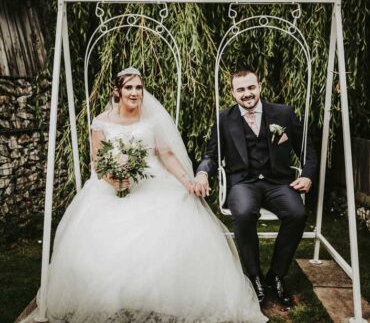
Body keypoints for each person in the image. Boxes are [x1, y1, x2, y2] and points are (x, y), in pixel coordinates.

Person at [44, 67, 268, 323]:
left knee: (175, 221)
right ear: (116, 91)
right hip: (110, 186)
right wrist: (114, 179)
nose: (135, 92)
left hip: (153, 182)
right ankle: (118, 296)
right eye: (128, 87)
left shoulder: (151, 120)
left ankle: (160, 297)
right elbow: (97, 161)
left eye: (138, 87)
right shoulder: (101, 121)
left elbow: (167, 155)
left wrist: (188, 182)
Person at [194, 68, 317, 307]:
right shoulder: (224, 118)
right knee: (244, 213)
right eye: (241, 89)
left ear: (260, 86)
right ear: (232, 93)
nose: (247, 93)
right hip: (243, 183)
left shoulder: (283, 113)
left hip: (277, 182)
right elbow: (212, 154)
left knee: (297, 214)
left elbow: (308, 151)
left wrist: (308, 176)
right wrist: (201, 174)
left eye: (251, 87)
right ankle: (255, 277)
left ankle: (276, 275)